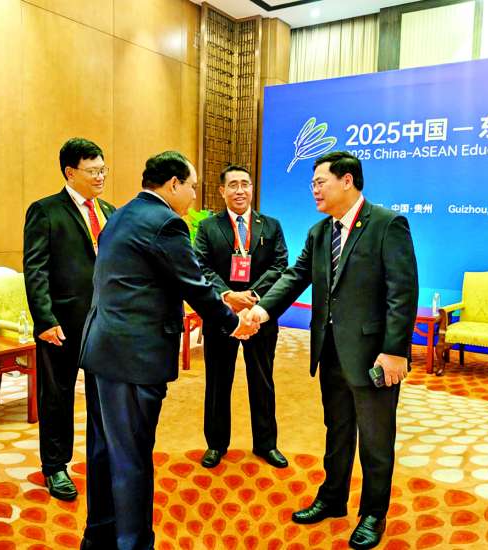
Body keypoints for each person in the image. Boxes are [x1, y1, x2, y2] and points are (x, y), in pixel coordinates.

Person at [77, 151, 259, 550]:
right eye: (191, 186)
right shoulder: (165, 223)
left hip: (102, 349)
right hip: (133, 358)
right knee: (132, 458)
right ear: (173, 184)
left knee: (104, 450)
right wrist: (234, 324)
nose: (194, 195)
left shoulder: (120, 215)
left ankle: (99, 536)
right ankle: (133, 543)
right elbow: (193, 284)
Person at [249, 151, 418, 550]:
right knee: (337, 430)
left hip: (374, 356)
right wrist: (261, 310)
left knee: (376, 439)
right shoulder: (319, 232)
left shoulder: (387, 224)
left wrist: (395, 351)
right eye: (312, 184)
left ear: (347, 181)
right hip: (331, 352)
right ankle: (333, 497)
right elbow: (296, 276)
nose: (314, 190)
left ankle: (373, 513)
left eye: (320, 182)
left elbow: (402, 291)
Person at [23, 138, 115, 501]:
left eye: (102, 170)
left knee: (102, 396)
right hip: (61, 324)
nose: (100, 177)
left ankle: (100, 459)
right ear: (70, 172)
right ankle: (55, 466)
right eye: (92, 171)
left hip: (103, 324)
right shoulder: (46, 211)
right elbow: (35, 269)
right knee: (57, 397)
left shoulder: (109, 210)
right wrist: (44, 319)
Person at [194, 164, 290, 469]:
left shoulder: (271, 226)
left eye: (245, 184)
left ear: (252, 188)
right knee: (217, 381)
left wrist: (253, 297)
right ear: (222, 190)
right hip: (222, 316)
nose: (240, 190)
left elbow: (280, 265)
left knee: (262, 379)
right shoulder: (208, 227)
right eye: (233, 185)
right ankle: (215, 444)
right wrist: (228, 296)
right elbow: (201, 266)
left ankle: (266, 444)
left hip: (259, 315)